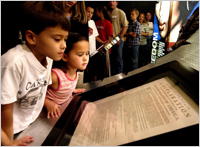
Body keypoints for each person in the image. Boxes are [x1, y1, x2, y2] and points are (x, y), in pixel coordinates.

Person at [1, 1, 71, 146]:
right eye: (57, 39)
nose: (64, 45)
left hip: (26, 125)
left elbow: (38, 88)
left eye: (65, 39)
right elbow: (4, 108)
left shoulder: (47, 56)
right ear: (32, 37)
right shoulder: (14, 62)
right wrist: (8, 142)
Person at [44, 33, 89, 119]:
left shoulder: (75, 72)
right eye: (80, 55)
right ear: (65, 56)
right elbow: (34, 92)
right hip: (48, 114)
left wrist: (71, 89)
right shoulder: (55, 76)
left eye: (87, 53)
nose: (85, 58)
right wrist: (47, 103)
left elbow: (65, 85)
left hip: (62, 109)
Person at [107, 1, 128, 76]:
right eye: (110, 1)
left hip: (118, 39)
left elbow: (125, 26)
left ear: (117, 3)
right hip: (109, 40)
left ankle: (119, 76)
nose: (111, 3)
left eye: (113, 1)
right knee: (111, 59)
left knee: (118, 58)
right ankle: (112, 76)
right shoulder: (107, 13)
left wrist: (119, 38)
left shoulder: (120, 12)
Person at [95, 5, 113, 79]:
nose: (95, 12)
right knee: (98, 68)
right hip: (97, 50)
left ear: (101, 12)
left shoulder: (108, 23)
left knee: (106, 70)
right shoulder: (96, 22)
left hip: (105, 50)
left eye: (96, 11)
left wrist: (106, 48)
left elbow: (110, 39)